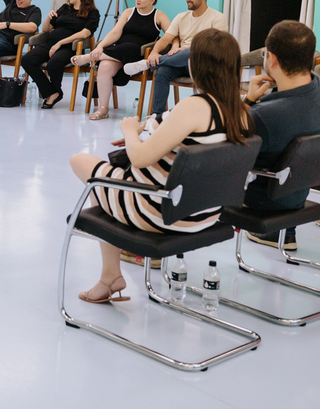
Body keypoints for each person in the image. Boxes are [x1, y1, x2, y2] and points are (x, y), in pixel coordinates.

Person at [68, 29, 253, 302]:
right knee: (106, 181)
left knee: (82, 163)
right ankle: (111, 274)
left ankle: (110, 275)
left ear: (195, 64)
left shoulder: (195, 106)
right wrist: (148, 133)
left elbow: (140, 158)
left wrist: (130, 131)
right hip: (206, 213)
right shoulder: (241, 111)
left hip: (160, 212)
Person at [239, 20, 320, 250]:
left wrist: (248, 101)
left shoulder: (264, 116)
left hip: (262, 201)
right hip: (295, 194)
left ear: (271, 59)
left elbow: (224, 142)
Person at [123, 0, 228, 115]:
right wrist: (154, 52)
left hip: (203, 63)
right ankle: (156, 115)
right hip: (179, 61)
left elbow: (216, 47)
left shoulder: (217, 17)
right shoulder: (181, 17)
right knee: (162, 72)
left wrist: (184, 50)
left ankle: (148, 64)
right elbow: (165, 38)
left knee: (192, 51)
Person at [70, 0, 169, 120]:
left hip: (138, 55)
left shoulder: (159, 16)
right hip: (118, 52)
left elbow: (172, 34)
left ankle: (89, 57)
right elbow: (115, 33)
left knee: (130, 47)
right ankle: (103, 109)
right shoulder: (128, 12)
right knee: (104, 66)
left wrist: (171, 46)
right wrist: (100, 46)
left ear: (152, 0)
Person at [21, 0, 100, 109]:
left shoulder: (92, 13)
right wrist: (48, 17)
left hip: (71, 47)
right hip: (51, 43)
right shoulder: (65, 8)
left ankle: (54, 92)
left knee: (54, 63)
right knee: (27, 60)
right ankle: (52, 92)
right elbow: (46, 29)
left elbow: (85, 33)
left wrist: (60, 43)